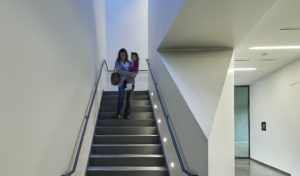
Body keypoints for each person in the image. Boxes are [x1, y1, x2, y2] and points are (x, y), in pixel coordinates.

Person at [115, 48, 136, 119]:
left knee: (128, 99)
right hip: (121, 83)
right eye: (121, 55)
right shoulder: (117, 62)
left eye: (124, 55)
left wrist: (130, 73)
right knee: (121, 97)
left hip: (130, 82)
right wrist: (129, 73)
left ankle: (127, 114)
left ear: (126, 55)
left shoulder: (130, 62)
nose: (123, 56)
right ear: (119, 55)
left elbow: (134, 72)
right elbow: (118, 70)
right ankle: (119, 113)